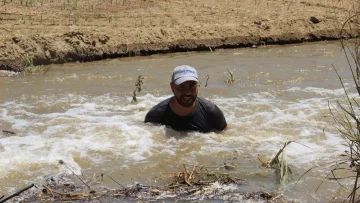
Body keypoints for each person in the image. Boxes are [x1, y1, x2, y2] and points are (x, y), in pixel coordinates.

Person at [145, 65, 227, 133]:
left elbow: (225, 136)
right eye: (181, 86)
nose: (187, 92)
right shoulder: (155, 116)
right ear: (172, 87)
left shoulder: (211, 112)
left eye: (192, 86)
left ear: (197, 86)